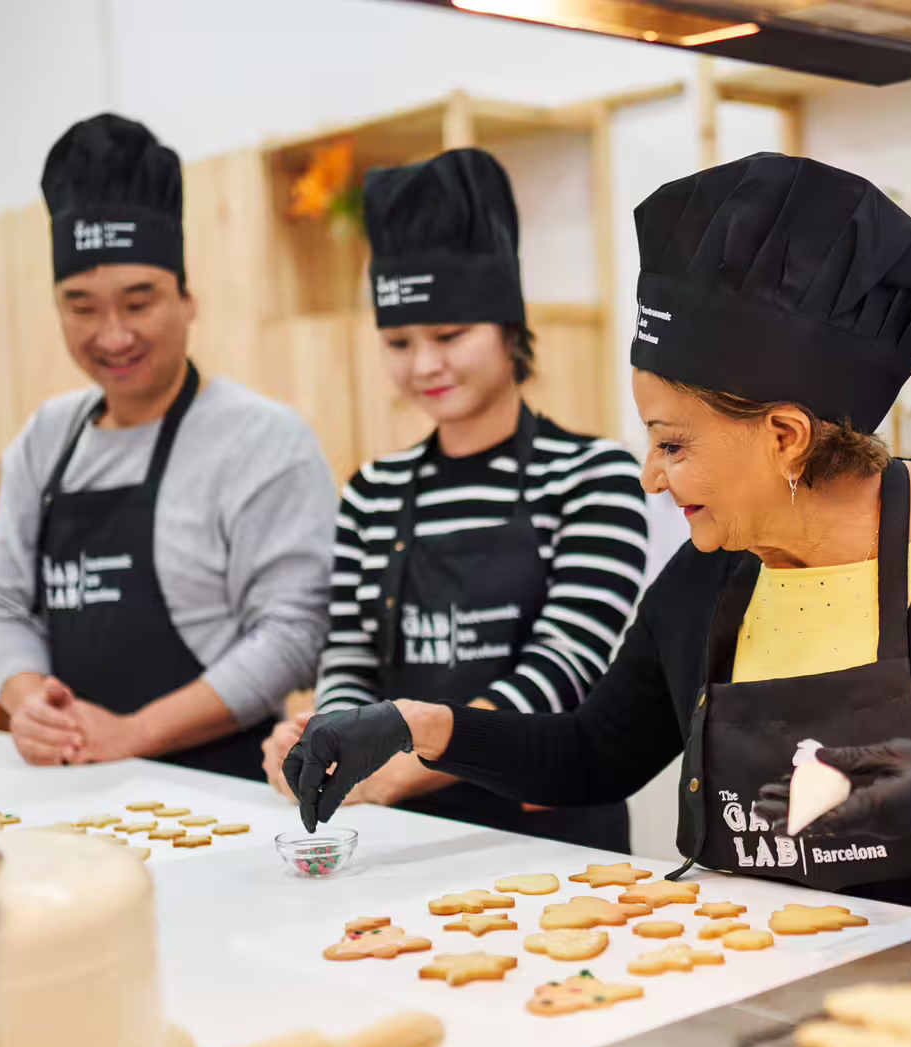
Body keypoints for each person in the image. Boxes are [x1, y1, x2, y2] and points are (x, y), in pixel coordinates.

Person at [281, 153, 911, 910]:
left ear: (786, 437)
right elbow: (596, 752)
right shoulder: (708, 578)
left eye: (674, 443)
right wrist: (414, 723)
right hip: (748, 994)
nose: (652, 474)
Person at [260, 149, 647, 851]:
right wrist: (328, 739)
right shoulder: (373, 492)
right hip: (402, 843)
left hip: (555, 844)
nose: (425, 365)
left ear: (508, 327)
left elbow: (563, 666)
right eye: (399, 341)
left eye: (450, 335)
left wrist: (405, 756)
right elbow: (349, 657)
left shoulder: (594, 475)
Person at [0, 114, 336, 778]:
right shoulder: (46, 440)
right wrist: (33, 706)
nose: (112, 336)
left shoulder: (261, 440)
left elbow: (294, 637)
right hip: (71, 787)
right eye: (81, 307)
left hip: (225, 794)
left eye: (138, 303)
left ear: (187, 297)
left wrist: (136, 732)